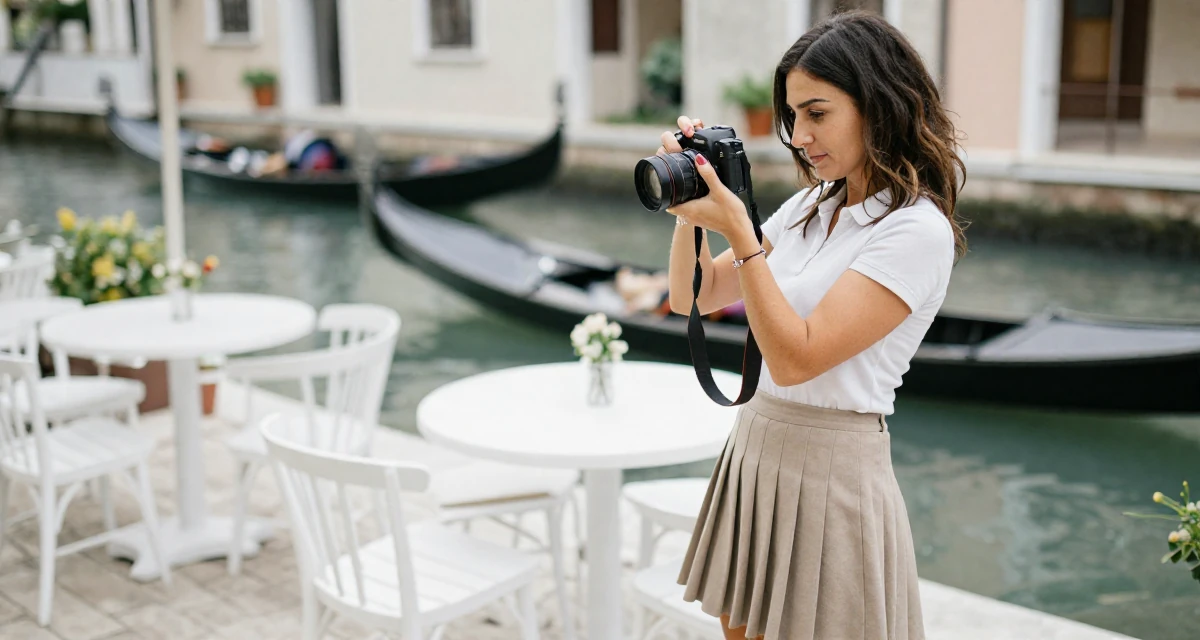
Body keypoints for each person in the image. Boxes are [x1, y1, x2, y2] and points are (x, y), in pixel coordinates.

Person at [659, 11, 966, 640]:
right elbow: (690, 293)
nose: (800, 136)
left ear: (879, 105)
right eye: (793, 117)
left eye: (818, 114)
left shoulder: (915, 230)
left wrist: (740, 229)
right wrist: (690, 207)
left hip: (832, 468)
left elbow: (798, 357)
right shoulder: (809, 205)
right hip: (756, 445)